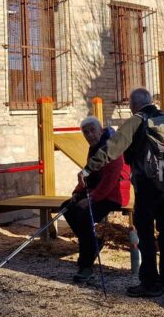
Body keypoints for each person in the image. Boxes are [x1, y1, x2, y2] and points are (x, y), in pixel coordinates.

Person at [81, 88, 164, 297]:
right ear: (151, 101)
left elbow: (113, 148)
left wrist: (89, 168)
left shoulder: (136, 121)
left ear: (133, 105)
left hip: (147, 187)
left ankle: (149, 283)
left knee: (145, 234)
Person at [62, 116, 130, 283]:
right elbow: (88, 175)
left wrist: (91, 199)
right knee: (67, 207)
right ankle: (93, 245)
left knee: (85, 215)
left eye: (92, 130)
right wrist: (77, 193)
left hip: (114, 194)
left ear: (100, 130)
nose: (89, 135)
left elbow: (110, 180)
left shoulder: (112, 147)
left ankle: (85, 266)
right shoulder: (93, 148)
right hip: (97, 192)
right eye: (86, 132)